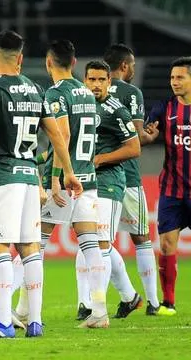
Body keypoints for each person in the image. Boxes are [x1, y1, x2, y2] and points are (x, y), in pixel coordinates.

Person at [0, 30, 82, 339]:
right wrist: (69, 172)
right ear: (21, 59)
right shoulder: (36, 90)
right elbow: (57, 136)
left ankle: (4, 323)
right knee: (30, 249)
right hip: (27, 178)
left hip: (1, 177)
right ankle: (34, 321)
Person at [34, 40, 108, 327]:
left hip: (68, 179)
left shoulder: (56, 93)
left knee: (35, 243)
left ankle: (21, 309)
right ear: (75, 63)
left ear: (48, 62)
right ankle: (99, 310)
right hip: (88, 178)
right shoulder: (86, 93)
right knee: (91, 246)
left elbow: (61, 135)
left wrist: (55, 177)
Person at [101, 44, 172, 317]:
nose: (133, 69)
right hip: (127, 175)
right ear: (122, 66)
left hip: (97, 179)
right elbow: (138, 138)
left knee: (94, 240)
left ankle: (92, 303)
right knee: (141, 239)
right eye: (131, 65)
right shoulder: (131, 93)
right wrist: (151, 134)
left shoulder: (92, 95)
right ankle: (153, 302)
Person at [81, 60, 141, 318]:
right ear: (85, 80)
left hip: (109, 181)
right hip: (86, 182)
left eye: (101, 80)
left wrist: (99, 160)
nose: (96, 84)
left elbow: (134, 148)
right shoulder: (81, 106)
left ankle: (95, 306)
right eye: (91, 79)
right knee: (96, 243)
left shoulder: (117, 111)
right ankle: (130, 296)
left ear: (109, 81)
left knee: (100, 243)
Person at [146, 56, 191, 313]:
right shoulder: (165, 107)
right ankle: (169, 302)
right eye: (172, 77)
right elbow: (148, 132)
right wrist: (147, 136)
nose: (174, 82)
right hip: (172, 190)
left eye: (180, 77)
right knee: (165, 245)